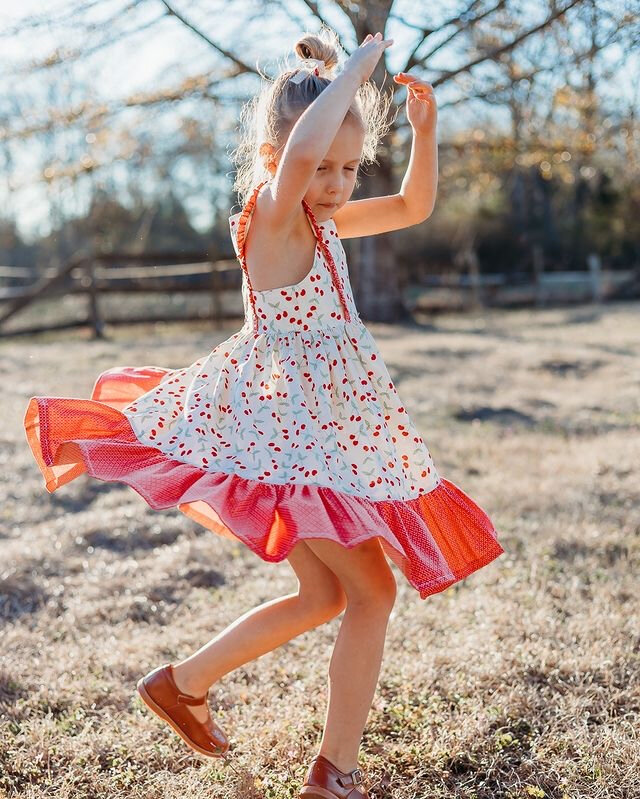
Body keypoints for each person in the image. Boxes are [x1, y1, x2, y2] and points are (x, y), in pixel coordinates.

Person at [23, 27, 504, 799]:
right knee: (371, 593)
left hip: (317, 439)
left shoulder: (326, 221)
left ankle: (182, 683)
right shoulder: (274, 216)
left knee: (327, 596)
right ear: (282, 157)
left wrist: (426, 129)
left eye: (352, 168)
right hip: (291, 442)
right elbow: (307, 151)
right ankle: (332, 774)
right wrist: (353, 68)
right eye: (326, 167)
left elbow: (415, 205)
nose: (341, 182)